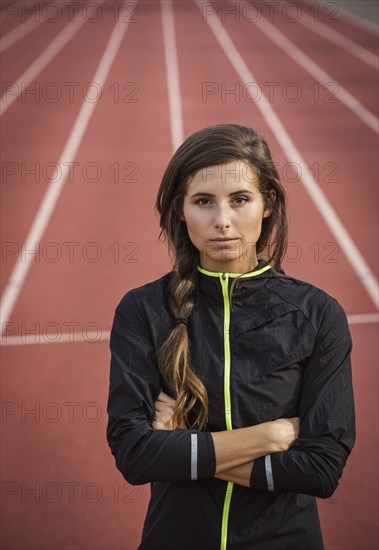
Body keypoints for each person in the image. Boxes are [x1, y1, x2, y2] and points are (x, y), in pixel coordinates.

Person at [106, 124, 356, 550]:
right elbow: (134, 454)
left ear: (268, 204)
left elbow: (321, 468)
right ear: (181, 211)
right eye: (203, 201)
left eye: (240, 199)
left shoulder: (317, 315)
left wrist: (180, 447)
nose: (222, 221)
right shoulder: (143, 310)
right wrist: (270, 437)